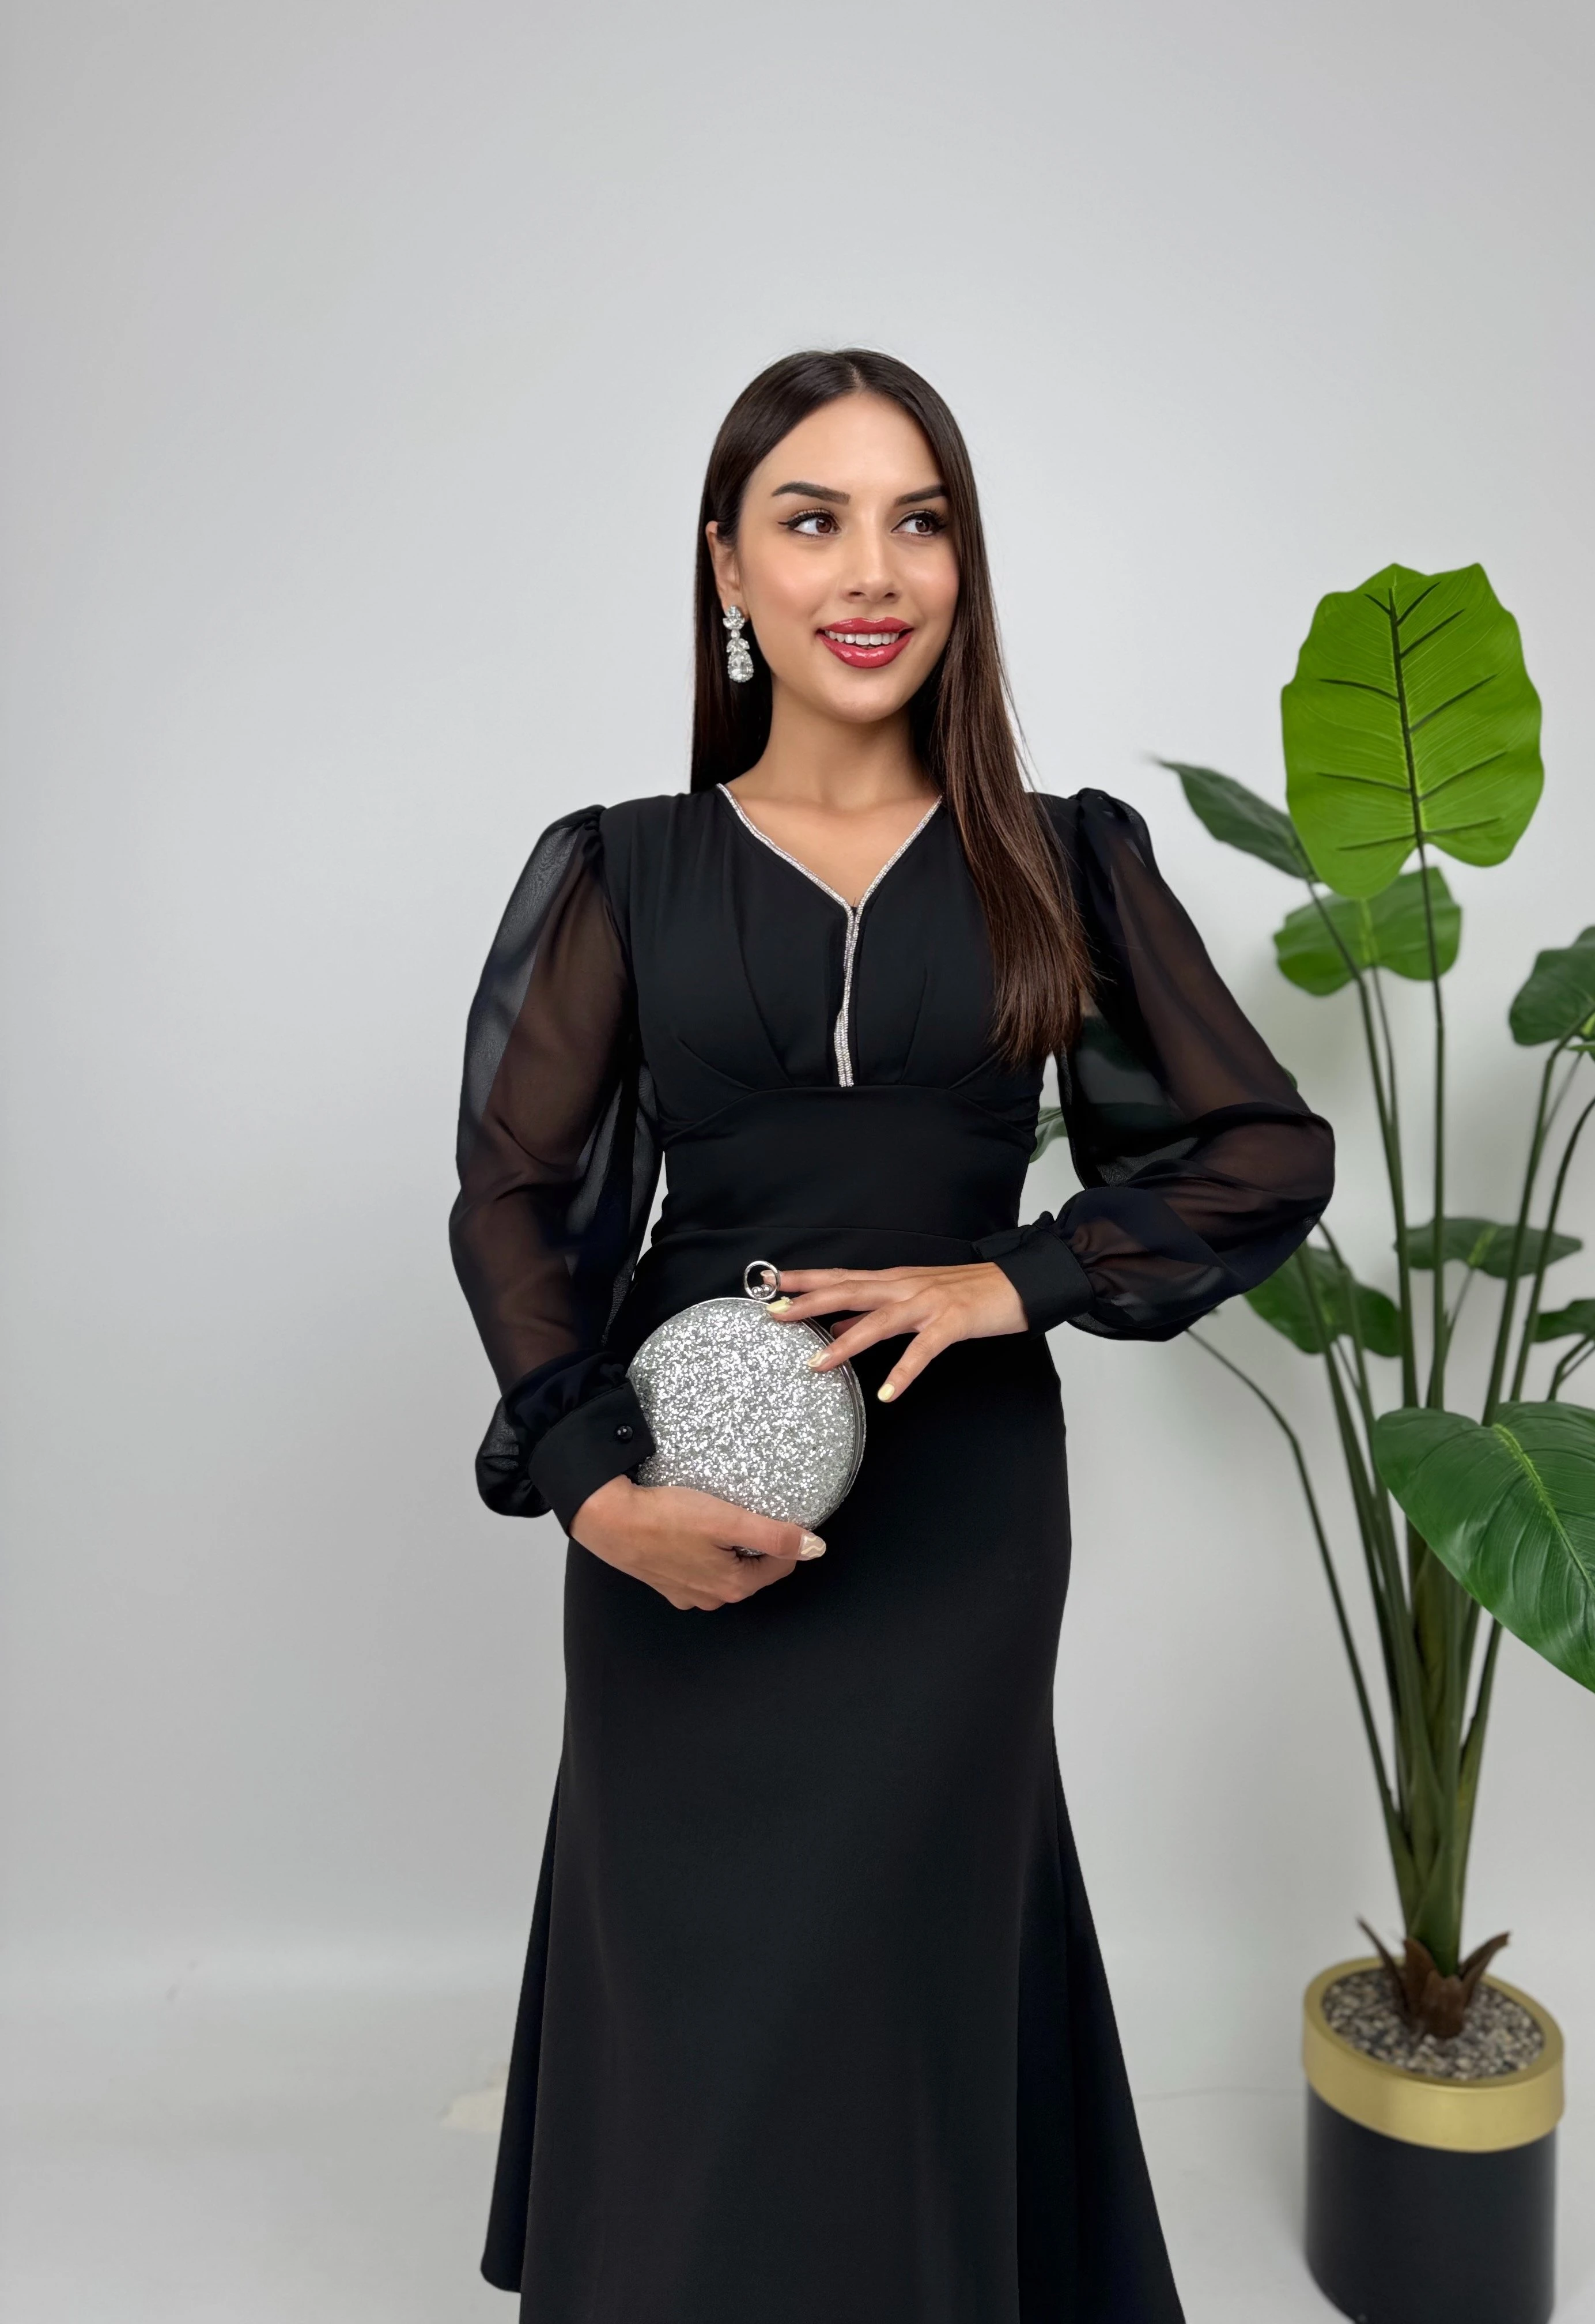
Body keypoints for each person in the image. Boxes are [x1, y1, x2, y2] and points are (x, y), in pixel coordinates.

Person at [450, 348, 1333, 2323]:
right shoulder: (624, 866)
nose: (874, 569)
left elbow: (1266, 1149)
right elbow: (515, 1195)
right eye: (814, 519)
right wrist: (596, 1493)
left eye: (919, 521)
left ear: (963, 564)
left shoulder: (1062, 857)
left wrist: (1012, 1276)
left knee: (910, 1965)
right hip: (677, 1495)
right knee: (698, 1971)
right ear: (728, 570)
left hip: (961, 1510)